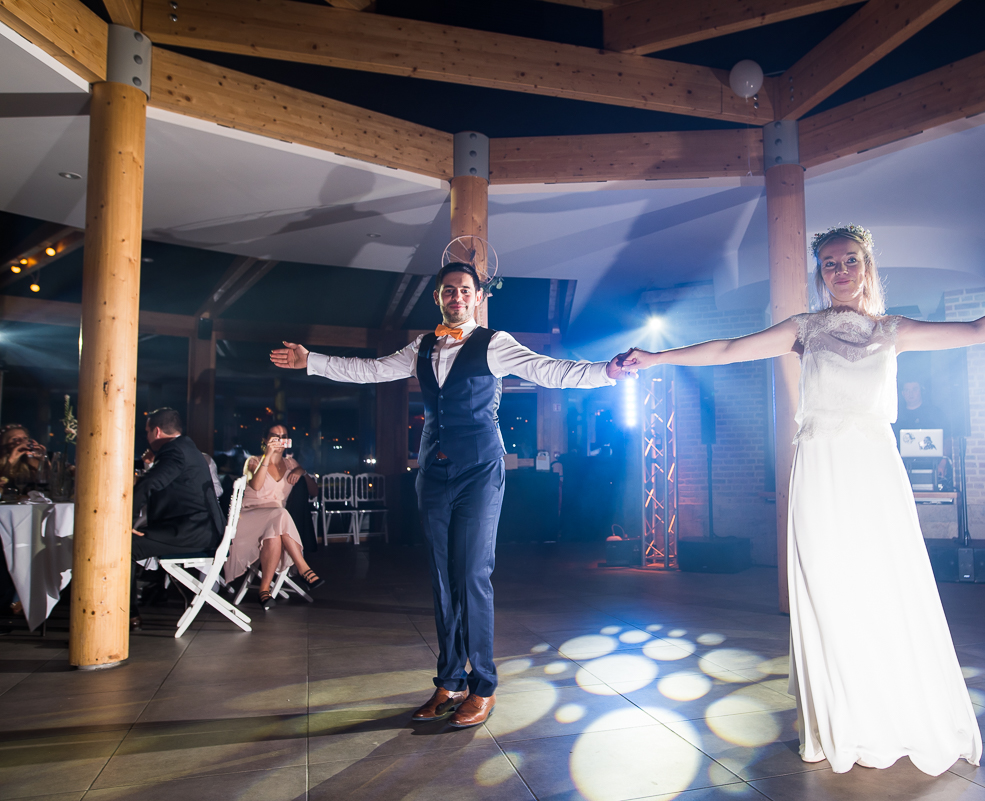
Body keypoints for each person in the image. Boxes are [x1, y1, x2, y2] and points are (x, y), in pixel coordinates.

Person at [620, 224, 985, 776]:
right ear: (821, 274)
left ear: (867, 266)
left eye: (850, 260)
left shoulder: (892, 330)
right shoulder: (805, 329)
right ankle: (840, 721)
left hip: (874, 468)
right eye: (830, 264)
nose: (841, 272)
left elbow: (976, 329)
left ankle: (894, 712)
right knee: (830, 590)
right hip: (822, 467)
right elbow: (731, 349)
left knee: (885, 585)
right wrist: (658, 359)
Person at [270, 261, 633, 728]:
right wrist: (312, 361)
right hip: (433, 473)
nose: (456, 297)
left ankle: (483, 685)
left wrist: (607, 371)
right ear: (438, 298)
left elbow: (550, 371)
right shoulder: (422, 346)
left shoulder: (495, 344)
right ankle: (449, 681)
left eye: (464, 290)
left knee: (472, 576)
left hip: (480, 470)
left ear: (478, 297)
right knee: (442, 579)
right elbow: (371, 370)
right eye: (448, 291)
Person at [130, 408, 225, 628]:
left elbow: (150, 483)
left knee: (125, 544)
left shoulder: (175, 451)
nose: (147, 438)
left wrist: (125, 521)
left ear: (156, 431)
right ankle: (130, 611)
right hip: (198, 528)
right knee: (133, 541)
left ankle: (128, 614)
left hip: (194, 531)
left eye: (146, 433)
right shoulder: (186, 447)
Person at [226, 424, 323, 609]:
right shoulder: (253, 461)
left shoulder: (291, 464)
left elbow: (314, 492)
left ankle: (264, 590)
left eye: (283, 436)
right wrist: (268, 456)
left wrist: (301, 471)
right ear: (265, 439)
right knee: (280, 514)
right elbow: (255, 485)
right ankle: (303, 568)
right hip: (249, 517)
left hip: (275, 520)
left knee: (275, 532)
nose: (279, 439)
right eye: (275, 436)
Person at [0, 424, 46, 491]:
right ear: (4, 444)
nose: (22, 441)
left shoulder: (30, 459)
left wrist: (43, 460)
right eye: (15, 439)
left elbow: (49, 484)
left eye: (25, 438)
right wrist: (11, 460)